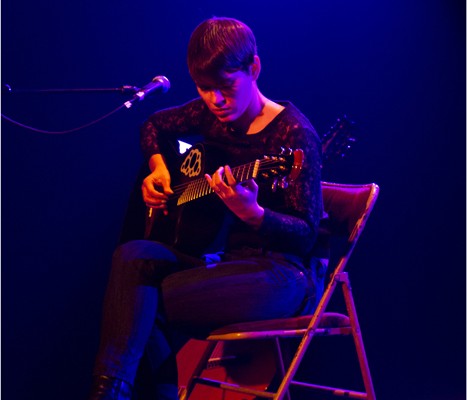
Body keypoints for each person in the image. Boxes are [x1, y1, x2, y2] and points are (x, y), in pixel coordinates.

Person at [89, 16, 326, 400]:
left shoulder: (294, 135)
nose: (215, 100)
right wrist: (158, 169)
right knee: (133, 256)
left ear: (254, 68)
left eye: (226, 87)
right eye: (203, 88)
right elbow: (152, 126)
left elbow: (306, 232)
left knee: (136, 301)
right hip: (225, 264)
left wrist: (254, 214)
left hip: (282, 276)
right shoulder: (207, 115)